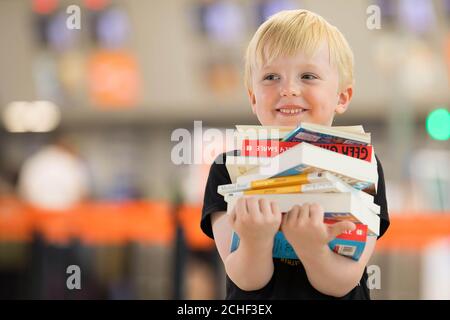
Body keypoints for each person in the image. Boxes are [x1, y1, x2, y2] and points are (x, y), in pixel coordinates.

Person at [200, 9, 390, 299]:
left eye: (308, 76)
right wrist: (255, 240)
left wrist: (311, 248)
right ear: (253, 97)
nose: (288, 89)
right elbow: (246, 279)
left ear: (342, 97)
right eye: (271, 76)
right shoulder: (227, 168)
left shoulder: (362, 166)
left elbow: (342, 282)